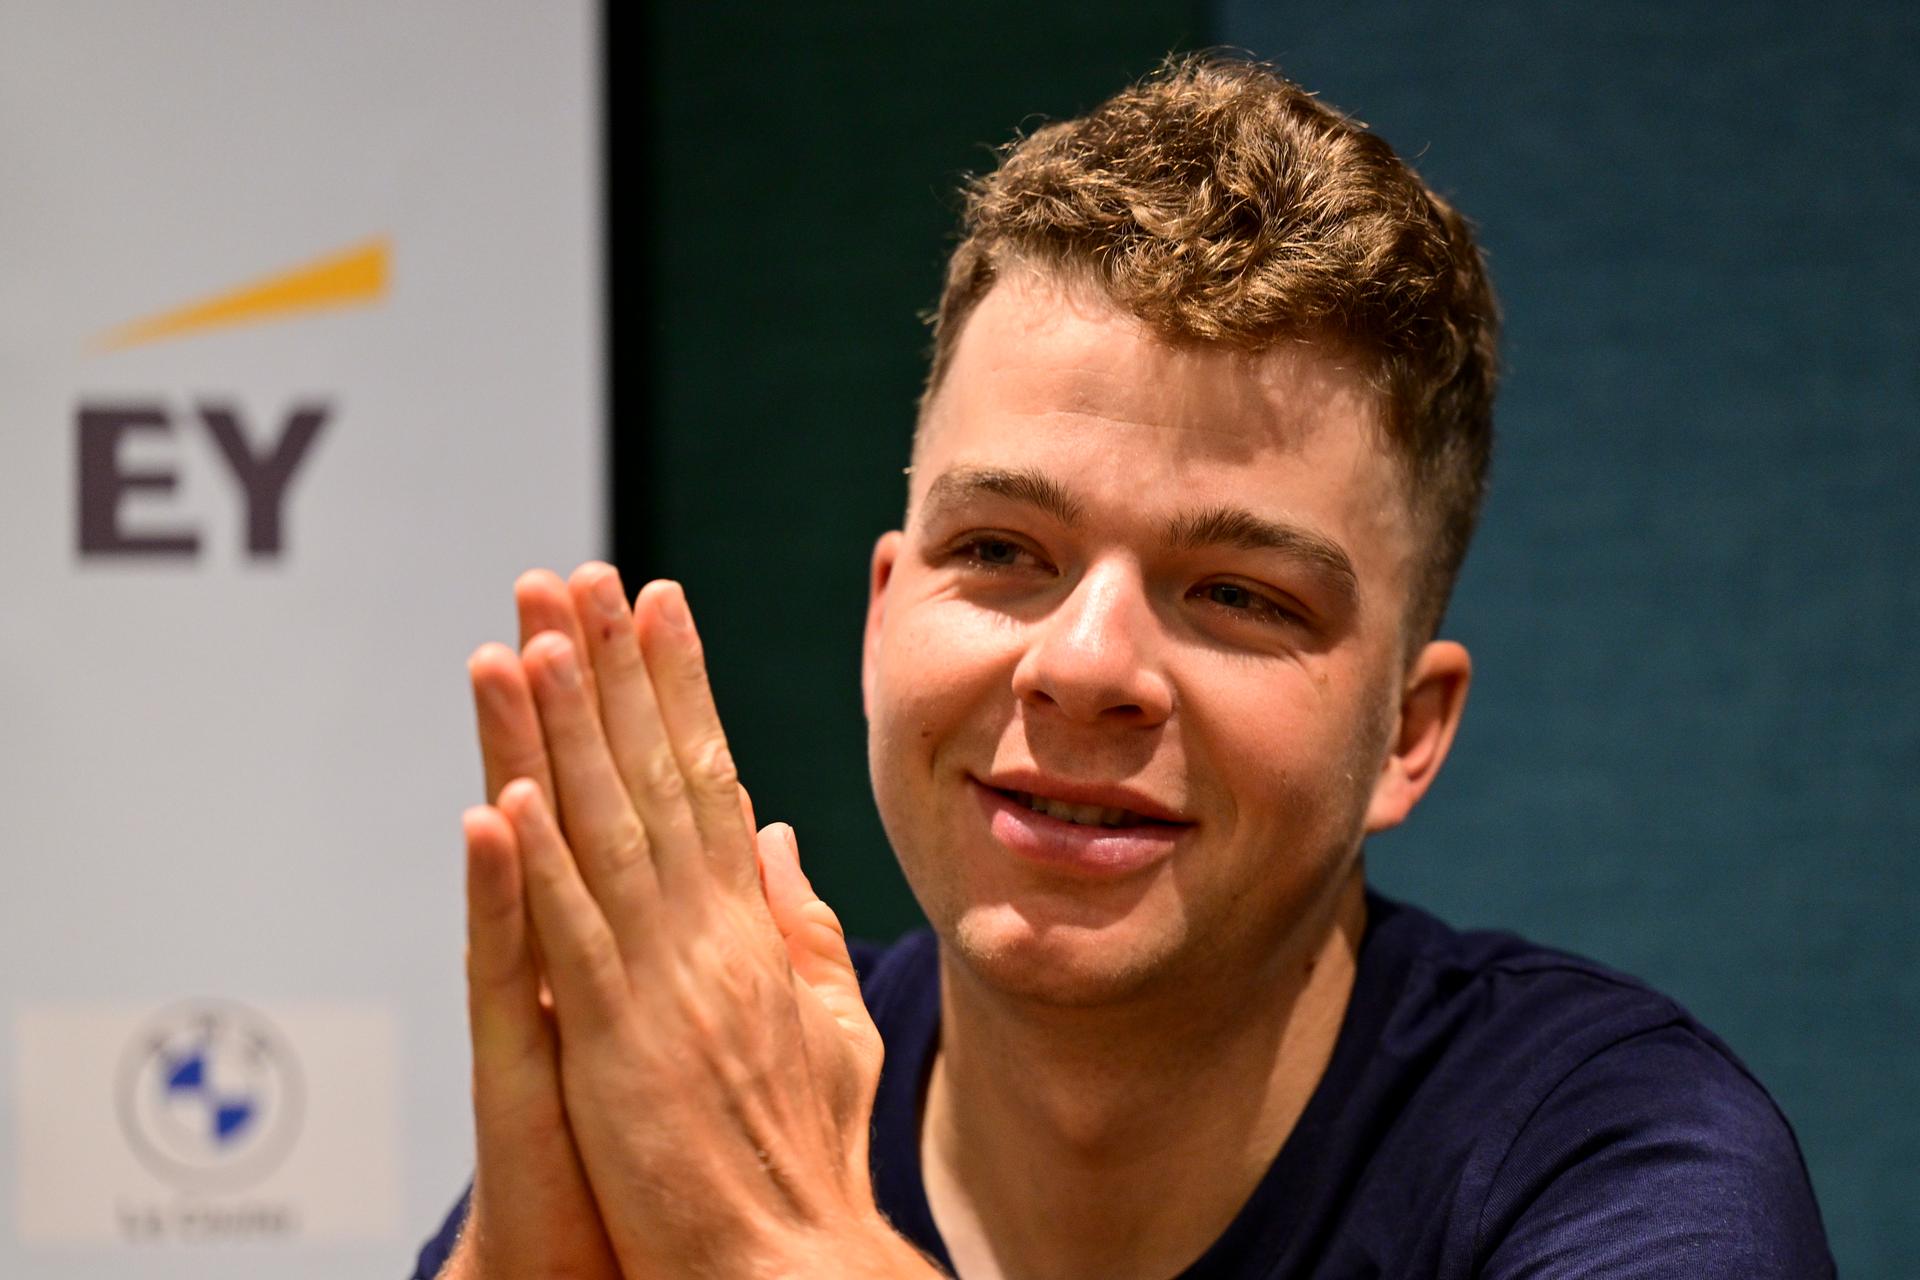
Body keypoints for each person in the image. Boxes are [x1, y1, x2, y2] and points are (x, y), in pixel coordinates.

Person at [413, 56, 1833, 1279]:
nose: (1083, 667)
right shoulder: (718, 1105)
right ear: (881, 619)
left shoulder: (1620, 1163)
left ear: (1408, 732)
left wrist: (781, 1243)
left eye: (1234, 592)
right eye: (1001, 552)